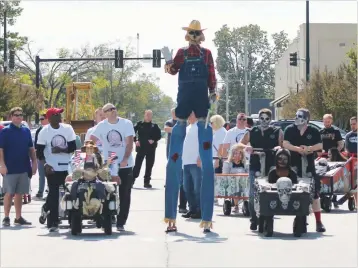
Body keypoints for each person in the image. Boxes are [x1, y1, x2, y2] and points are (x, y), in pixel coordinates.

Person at [161, 20, 217, 232]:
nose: (194, 36)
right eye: (192, 33)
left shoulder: (207, 54)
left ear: (200, 35)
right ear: (188, 35)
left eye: (197, 33)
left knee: (207, 162)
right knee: (174, 159)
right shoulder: (182, 52)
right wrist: (168, 62)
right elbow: (173, 71)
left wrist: (213, 92)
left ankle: (206, 219)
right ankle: (171, 218)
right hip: (184, 98)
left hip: (200, 99)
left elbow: (211, 74)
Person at [90, 103, 135, 231]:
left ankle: (121, 221)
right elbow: (91, 139)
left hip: (125, 164)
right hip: (108, 164)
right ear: (105, 113)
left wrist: (125, 159)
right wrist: (94, 154)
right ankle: (107, 217)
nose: (113, 111)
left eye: (114, 108)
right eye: (109, 110)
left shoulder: (126, 124)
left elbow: (129, 143)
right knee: (106, 191)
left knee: (124, 193)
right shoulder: (101, 126)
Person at [282, 108, 326, 232]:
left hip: (309, 166)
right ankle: (298, 216)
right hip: (293, 165)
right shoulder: (290, 129)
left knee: (315, 193)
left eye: (300, 116)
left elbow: (321, 146)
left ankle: (318, 222)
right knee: (295, 191)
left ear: (306, 119)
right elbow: (285, 143)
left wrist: (309, 148)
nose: (296, 118)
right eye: (296, 115)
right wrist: (297, 149)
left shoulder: (314, 130)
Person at [239, 108, 283, 231]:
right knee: (253, 193)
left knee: (270, 192)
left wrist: (278, 147)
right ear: (258, 119)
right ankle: (254, 219)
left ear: (270, 119)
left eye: (267, 119)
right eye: (262, 118)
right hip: (255, 165)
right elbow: (241, 144)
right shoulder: (252, 131)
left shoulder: (277, 131)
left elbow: (282, 145)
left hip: (271, 167)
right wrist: (247, 147)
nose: (264, 121)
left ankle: (268, 217)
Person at [36, 108, 77, 232]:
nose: (59, 116)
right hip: (52, 167)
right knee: (54, 194)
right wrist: (45, 165)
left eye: (60, 114)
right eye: (56, 114)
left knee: (71, 193)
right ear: (50, 118)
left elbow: (73, 147)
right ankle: (53, 222)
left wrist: (61, 149)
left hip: (67, 166)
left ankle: (72, 219)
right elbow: (39, 152)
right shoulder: (44, 131)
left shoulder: (67, 128)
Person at [0, 107, 37, 226]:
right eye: (16, 115)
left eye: (21, 115)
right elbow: (1, 150)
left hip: (23, 167)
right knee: (9, 193)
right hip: (9, 168)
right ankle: (6, 217)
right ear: (11, 117)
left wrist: (34, 162)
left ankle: (18, 217)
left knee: (20, 193)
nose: (19, 117)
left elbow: (31, 149)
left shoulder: (26, 131)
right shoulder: (5, 131)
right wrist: (2, 165)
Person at [164, 108, 188, 213]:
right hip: (171, 149)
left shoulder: (184, 123)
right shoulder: (169, 122)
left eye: (176, 113)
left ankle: (182, 205)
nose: (174, 114)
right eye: (173, 113)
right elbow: (166, 129)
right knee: (172, 172)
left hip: (182, 151)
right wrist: (178, 129)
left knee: (182, 179)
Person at [132, 110, 162, 188]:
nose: (148, 116)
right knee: (137, 165)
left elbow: (159, 136)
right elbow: (132, 132)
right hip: (141, 148)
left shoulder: (154, 126)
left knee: (149, 166)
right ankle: (131, 181)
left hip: (151, 149)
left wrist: (154, 140)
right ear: (144, 115)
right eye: (147, 115)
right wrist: (136, 140)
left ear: (152, 116)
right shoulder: (139, 124)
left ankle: (146, 182)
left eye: (150, 115)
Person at [182, 112, 202, 219]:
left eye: (192, 114)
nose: (189, 116)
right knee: (187, 188)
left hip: (196, 162)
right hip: (186, 162)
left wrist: (200, 157)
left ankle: (199, 210)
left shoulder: (200, 127)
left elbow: (203, 143)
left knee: (197, 188)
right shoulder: (187, 127)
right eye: (188, 114)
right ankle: (192, 209)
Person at [222, 144, 248, 212]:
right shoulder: (227, 163)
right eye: (235, 153)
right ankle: (236, 206)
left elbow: (248, 174)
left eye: (240, 153)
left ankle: (246, 203)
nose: (238, 155)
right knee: (235, 185)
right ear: (232, 154)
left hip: (243, 182)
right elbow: (225, 175)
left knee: (246, 185)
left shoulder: (245, 164)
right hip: (231, 183)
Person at [34, 112, 49, 198]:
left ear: (47, 119)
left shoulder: (52, 129)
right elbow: (36, 145)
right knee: (41, 175)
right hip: (41, 157)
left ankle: (49, 191)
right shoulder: (39, 130)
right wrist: (37, 156)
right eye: (40, 119)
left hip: (51, 157)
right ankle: (40, 191)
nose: (41, 121)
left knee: (50, 175)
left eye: (42, 119)